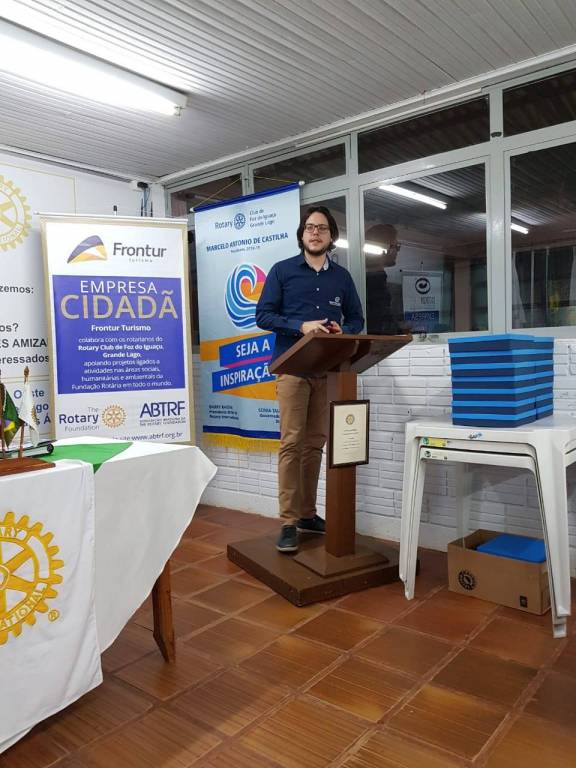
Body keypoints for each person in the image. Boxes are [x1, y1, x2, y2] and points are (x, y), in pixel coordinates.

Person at [256, 206, 364, 553]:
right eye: (309, 228)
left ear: (331, 236)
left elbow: (357, 319)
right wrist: (299, 326)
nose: (315, 233)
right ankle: (288, 522)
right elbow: (263, 315)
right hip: (292, 369)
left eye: (322, 228)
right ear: (302, 235)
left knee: (315, 443)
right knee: (292, 443)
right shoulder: (282, 271)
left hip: (326, 370)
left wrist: (343, 330)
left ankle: (306, 513)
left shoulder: (342, 278)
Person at [364, 224, 404, 334]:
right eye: (396, 247)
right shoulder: (375, 283)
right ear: (386, 249)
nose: (397, 251)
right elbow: (380, 322)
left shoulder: (371, 280)